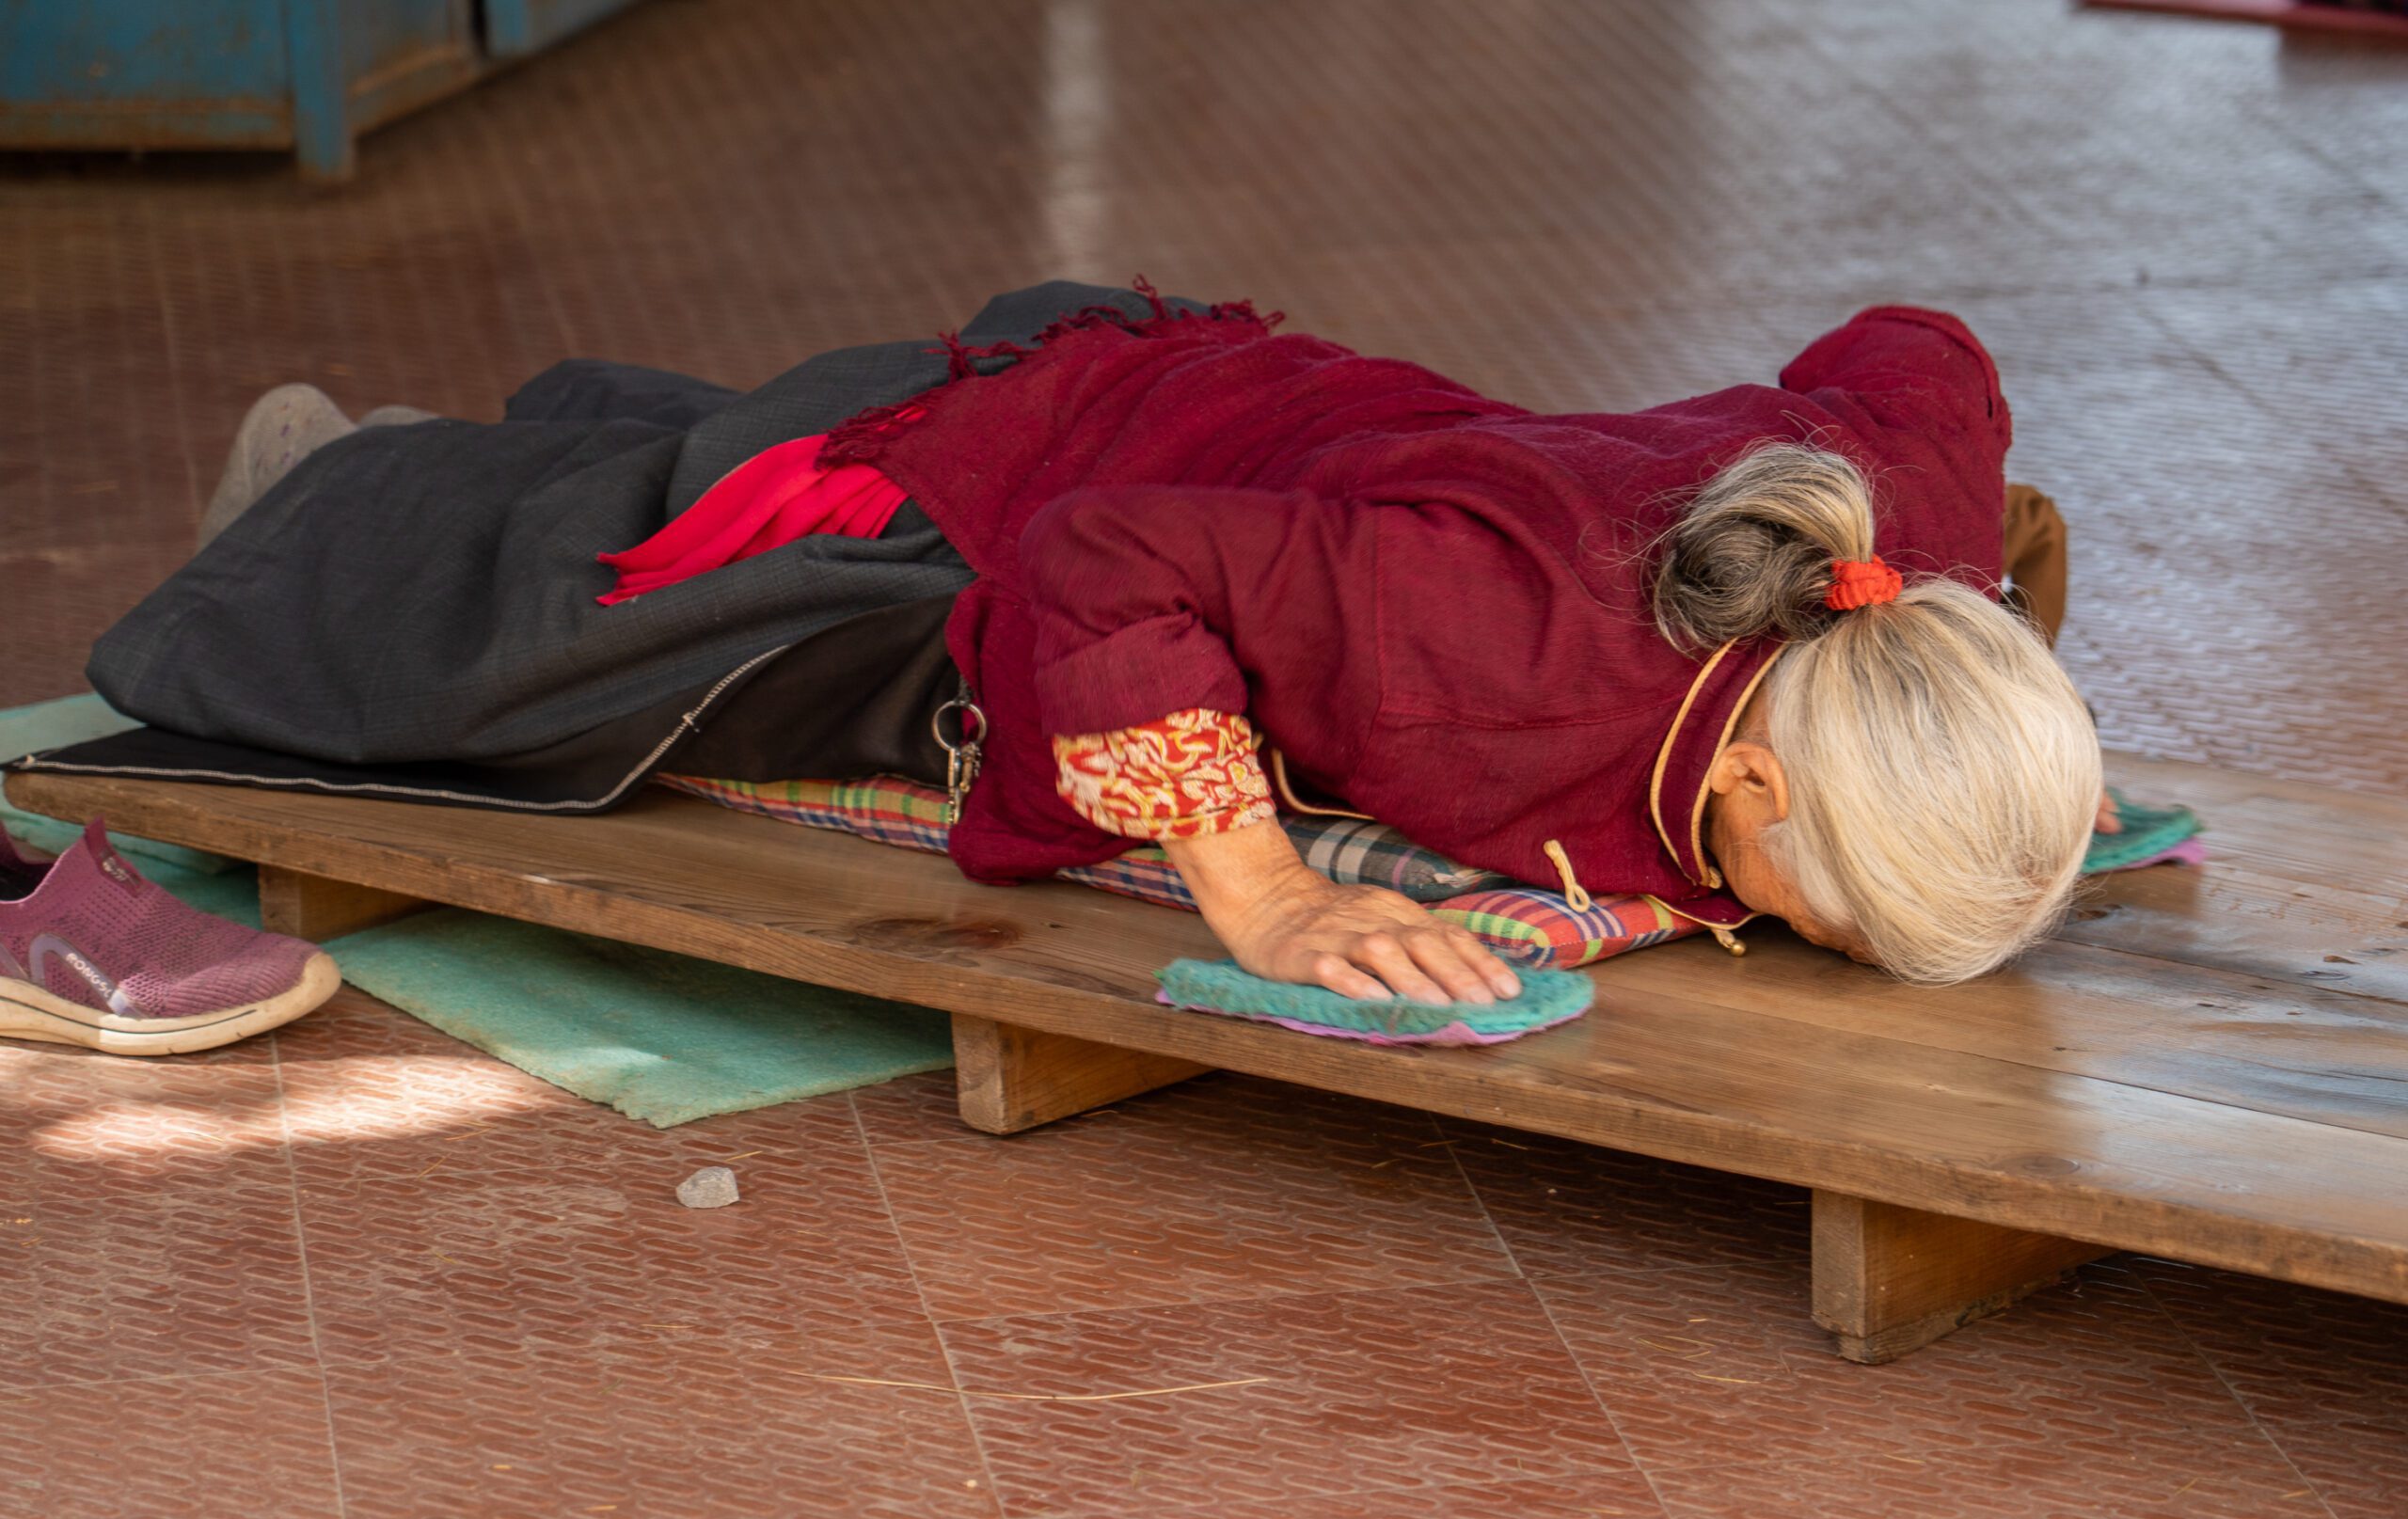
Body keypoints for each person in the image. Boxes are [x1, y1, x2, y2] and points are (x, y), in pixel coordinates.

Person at [62, 282, 2102, 1007]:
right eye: (1828, 913)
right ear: (1747, 771)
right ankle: (327, 490)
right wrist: (1261, 883)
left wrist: (1967, 665)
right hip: (1069, 472)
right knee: (535, 662)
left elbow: (1916, 348)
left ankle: (569, 447)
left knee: (676, 482)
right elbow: (1108, 561)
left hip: (1299, 462)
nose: (1818, 947)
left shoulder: (1887, 546)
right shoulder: (1480, 643)